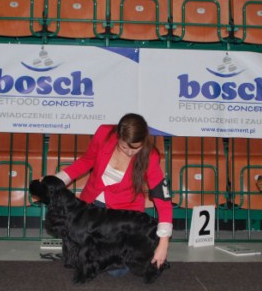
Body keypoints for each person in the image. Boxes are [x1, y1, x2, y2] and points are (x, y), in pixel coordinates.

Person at [54, 113, 173, 272]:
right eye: (124, 147)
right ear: (118, 136)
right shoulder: (103, 134)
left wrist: (163, 242)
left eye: (136, 148)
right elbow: (86, 161)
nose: (130, 153)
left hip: (122, 216)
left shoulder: (151, 156)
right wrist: (56, 180)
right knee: (77, 256)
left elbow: (162, 199)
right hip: (93, 206)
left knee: (116, 271)